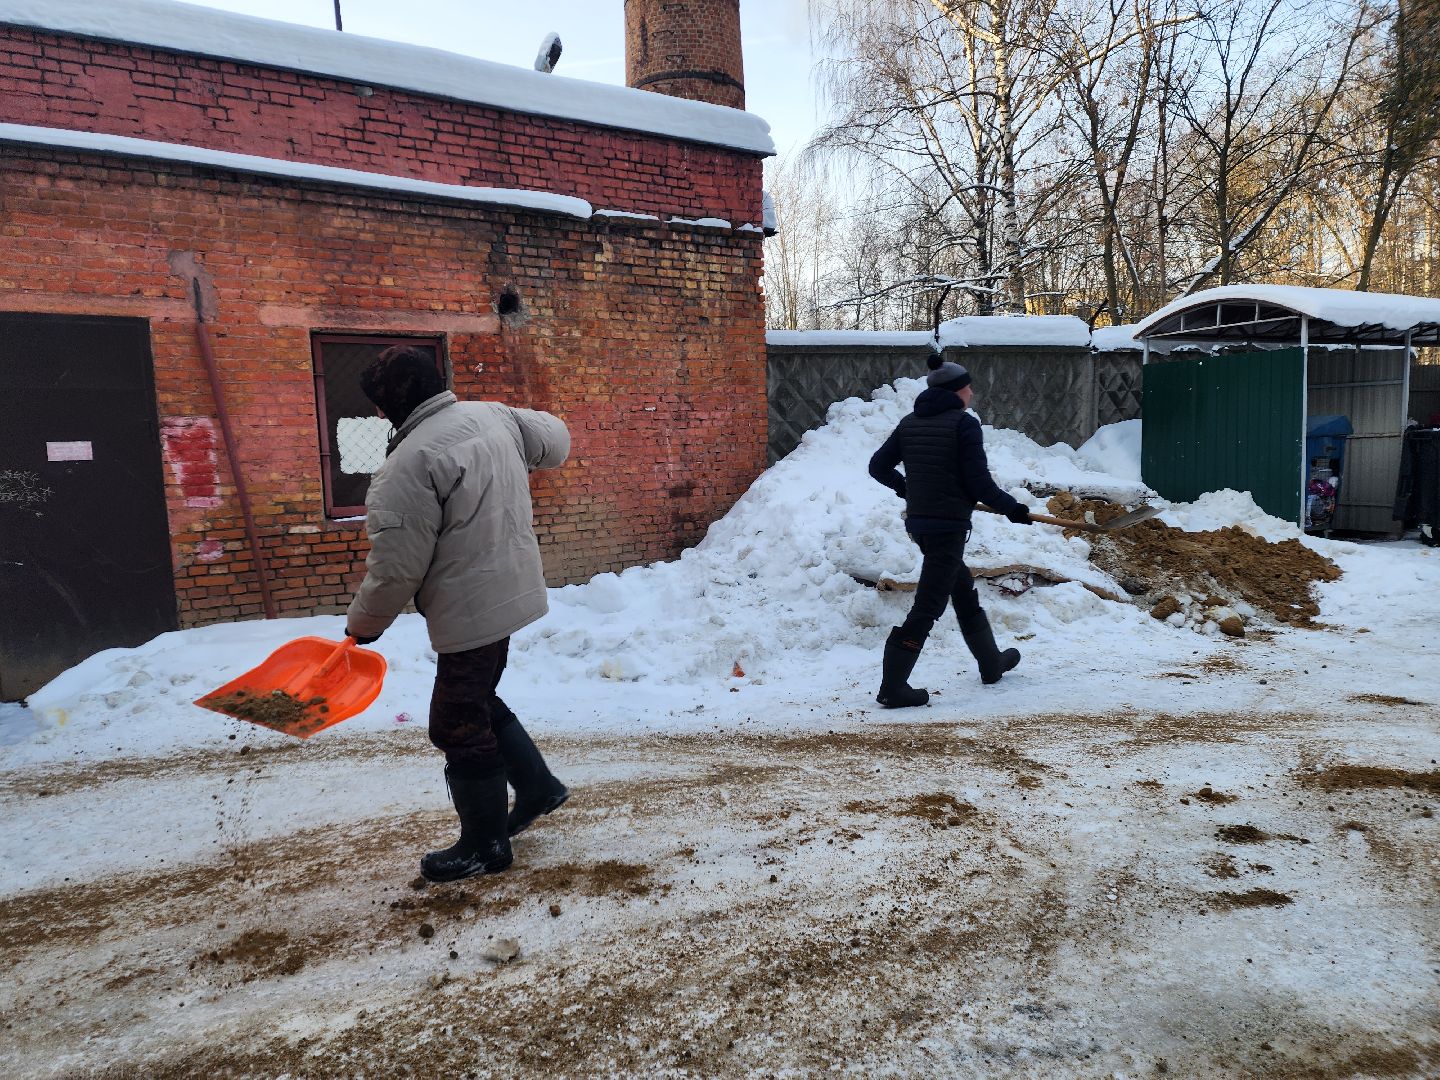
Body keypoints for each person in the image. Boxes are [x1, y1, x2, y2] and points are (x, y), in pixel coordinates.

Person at [345, 346, 571, 882]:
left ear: (389, 405)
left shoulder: (407, 464)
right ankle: (538, 789)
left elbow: (396, 570)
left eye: (379, 405)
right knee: (476, 700)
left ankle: (485, 845)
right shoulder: (492, 416)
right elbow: (556, 440)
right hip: (511, 586)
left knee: (455, 722)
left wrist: (361, 626)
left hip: (473, 606)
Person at [867, 351, 1032, 707]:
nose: (972, 393)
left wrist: (907, 488)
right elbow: (979, 484)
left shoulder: (910, 422)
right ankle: (893, 687)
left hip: (921, 526)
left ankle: (991, 663)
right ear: (958, 391)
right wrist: (1013, 509)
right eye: (969, 388)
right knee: (927, 607)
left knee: (961, 586)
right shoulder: (963, 423)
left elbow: (878, 466)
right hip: (947, 528)